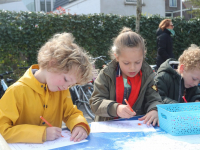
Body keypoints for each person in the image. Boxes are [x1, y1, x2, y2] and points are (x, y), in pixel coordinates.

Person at [0, 32, 93, 143]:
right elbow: (2, 130)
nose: (66, 87)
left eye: (70, 85)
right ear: (52, 64)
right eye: (66, 80)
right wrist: (41, 133)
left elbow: (71, 113)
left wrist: (79, 125)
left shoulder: (61, 90)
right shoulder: (16, 91)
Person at [89, 27, 163, 126]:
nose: (133, 68)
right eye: (126, 63)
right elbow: (95, 103)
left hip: (137, 127)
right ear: (117, 57)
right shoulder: (106, 75)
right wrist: (116, 108)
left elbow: (154, 98)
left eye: (137, 62)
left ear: (143, 56)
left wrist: (154, 110)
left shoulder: (148, 75)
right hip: (108, 128)